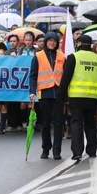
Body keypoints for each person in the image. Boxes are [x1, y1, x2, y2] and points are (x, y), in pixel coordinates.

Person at [58, 34, 97, 160]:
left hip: (76, 96)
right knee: (90, 124)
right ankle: (92, 150)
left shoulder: (73, 57)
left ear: (79, 43)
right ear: (91, 45)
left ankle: (77, 152)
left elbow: (66, 78)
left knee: (76, 123)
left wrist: (61, 96)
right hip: (92, 97)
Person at [28, 32, 66, 160]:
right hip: (45, 93)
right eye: (49, 41)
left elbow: (65, 76)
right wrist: (32, 91)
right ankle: (45, 148)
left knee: (59, 123)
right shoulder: (38, 56)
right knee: (45, 123)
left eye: (54, 41)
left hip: (59, 93)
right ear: (45, 42)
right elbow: (33, 75)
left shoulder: (62, 56)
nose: (52, 43)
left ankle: (57, 151)